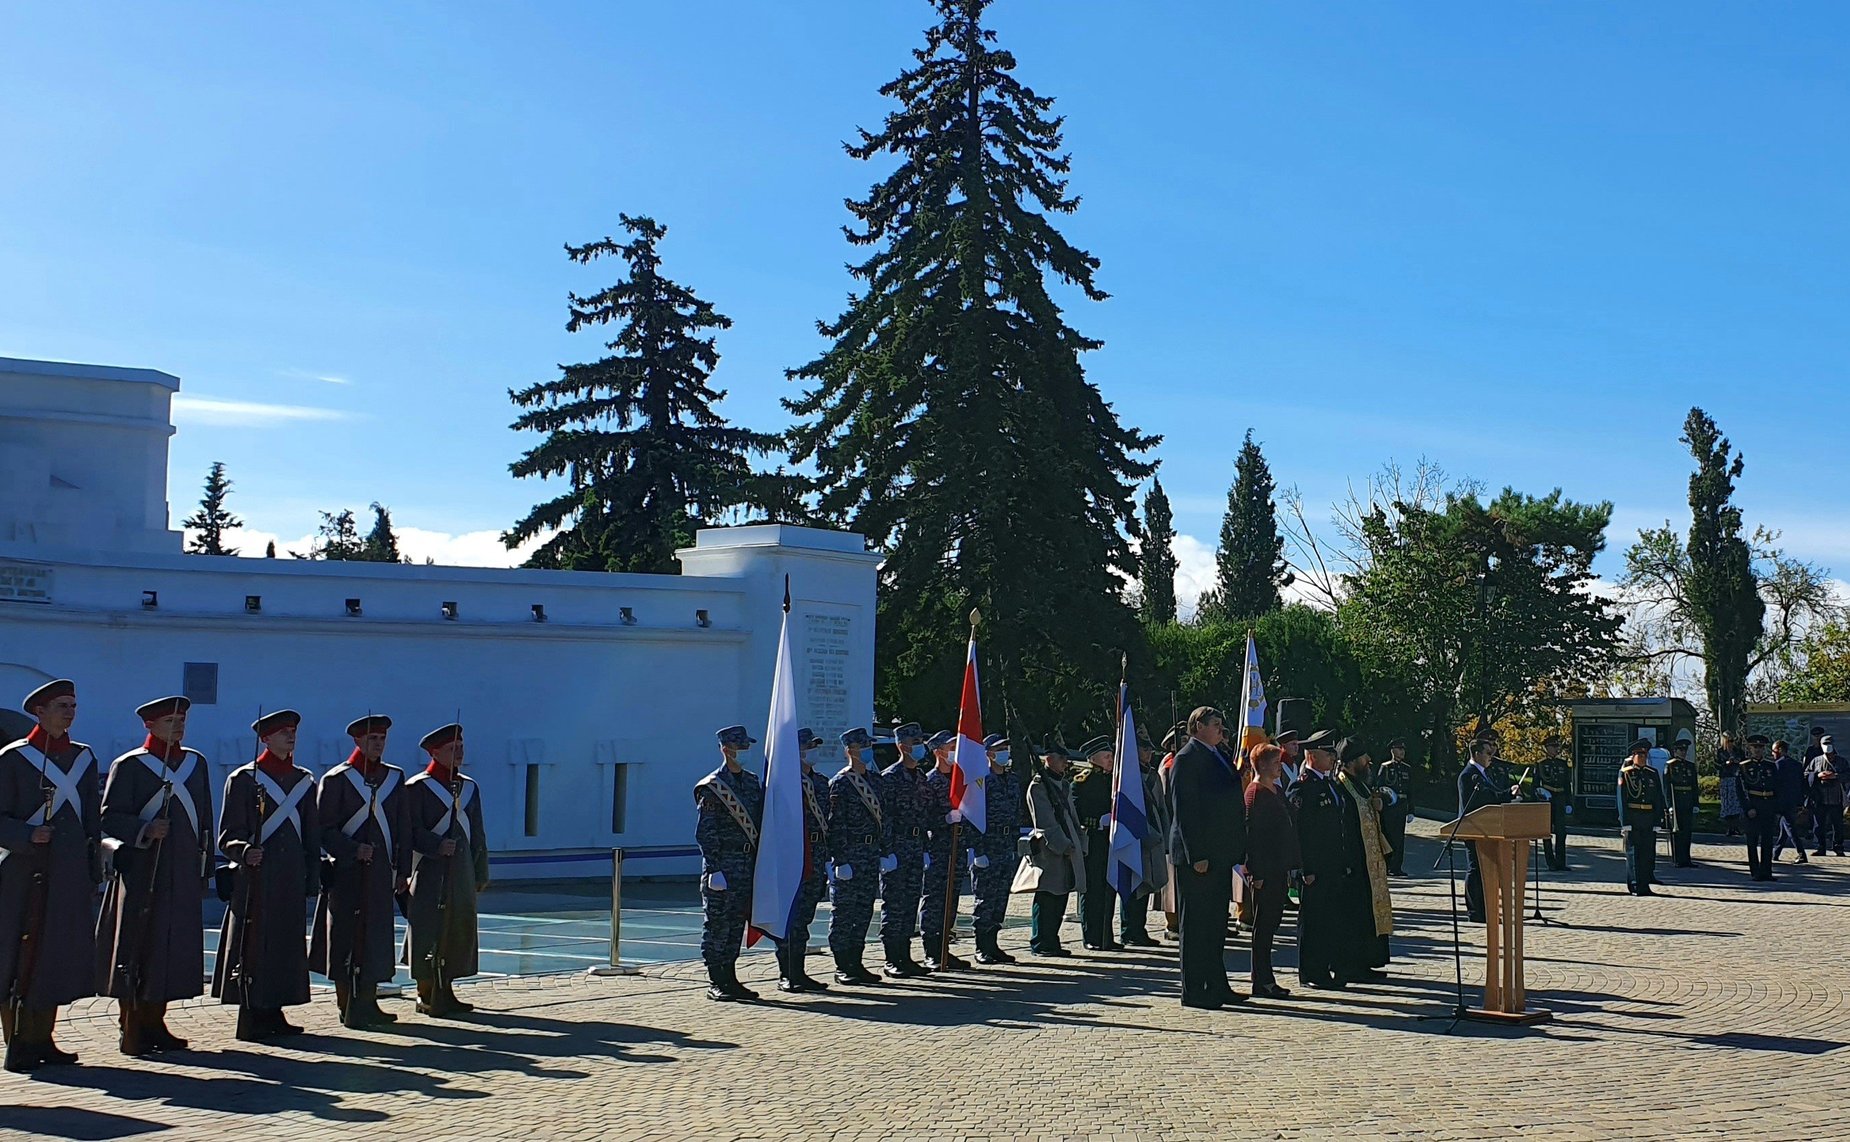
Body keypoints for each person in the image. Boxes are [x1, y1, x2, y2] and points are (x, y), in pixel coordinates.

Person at [97, 695, 214, 1057]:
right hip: (144, 872)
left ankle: (156, 1021)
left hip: (180, 871)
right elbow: (109, 817)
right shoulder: (130, 765)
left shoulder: (196, 763)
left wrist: (204, 869)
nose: (177, 726)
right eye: (169, 721)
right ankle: (130, 1024)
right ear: (149, 725)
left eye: (181, 720)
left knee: (170, 951)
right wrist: (144, 829)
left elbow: (205, 821)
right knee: (138, 946)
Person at [0, 680, 99, 1072]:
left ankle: (44, 1037)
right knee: (18, 954)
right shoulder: (13, 758)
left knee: (55, 955)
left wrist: (92, 870)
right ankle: (18, 1041)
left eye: (73, 705)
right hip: (22, 872)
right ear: (39, 711)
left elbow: (92, 819)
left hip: (68, 872)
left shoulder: (83, 758)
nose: (70, 711)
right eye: (61, 705)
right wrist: (27, 835)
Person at [212, 709, 320, 1041]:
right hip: (258, 876)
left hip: (290, 876)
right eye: (282, 732)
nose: (290, 737)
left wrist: (311, 877)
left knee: (285, 945)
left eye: (293, 732)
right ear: (265, 739)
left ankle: (275, 1010)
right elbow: (227, 833)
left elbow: (311, 836)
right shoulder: (245, 779)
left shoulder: (304, 780)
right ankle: (251, 1013)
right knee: (254, 945)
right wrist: (244, 851)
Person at [312, 713, 409, 1029]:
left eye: (381, 739)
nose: (378, 744)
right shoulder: (337, 780)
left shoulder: (394, 778)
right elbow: (323, 829)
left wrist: (402, 871)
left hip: (381, 873)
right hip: (347, 875)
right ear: (357, 741)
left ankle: (369, 1001)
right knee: (345, 938)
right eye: (371, 739)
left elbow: (401, 830)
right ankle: (348, 1005)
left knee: (376, 938)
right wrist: (352, 850)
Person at [405, 723, 489, 1016]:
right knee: (429, 928)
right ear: (434, 752)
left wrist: (481, 871)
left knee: (458, 927)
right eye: (452, 749)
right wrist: (435, 844)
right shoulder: (418, 787)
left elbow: (477, 833)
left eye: (461, 747)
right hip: (430, 871)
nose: (459, 753)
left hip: (461, 870)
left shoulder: (469, 787)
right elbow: (409, 830)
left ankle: (448, 987)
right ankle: (426, 991)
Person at [1168, 707, 1245, 1009]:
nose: (1220, 729)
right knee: (1196, 925)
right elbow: (1186, 811)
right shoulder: (1187, 759)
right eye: (1215, 724)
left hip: (1220, 854)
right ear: (1198, 726)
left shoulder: (1218, 755)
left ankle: (1216, 983)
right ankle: (1194, 989)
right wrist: (1196, 853)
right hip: (1198, 857)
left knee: (1215, 924)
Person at [1291, 729, 1365, 989]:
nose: (1333, 757)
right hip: (1315, 868)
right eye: (1328, 752)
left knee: (1331, 919)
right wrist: (1305, 868)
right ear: (1311, 755)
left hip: (1334, 866)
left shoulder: (1331, 784)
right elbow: (1300, 832)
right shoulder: (1303, 787)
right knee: (1313, 921)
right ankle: (1311, 971)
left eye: (1334, 752)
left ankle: (1330, 967)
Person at [692, 725, 762, 1001]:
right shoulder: (712, 787)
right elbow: (705, 832)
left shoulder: (752, 782)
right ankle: (716, 979)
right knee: (717, 924)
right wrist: (715, 867)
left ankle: (731, 976)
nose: (745, 752)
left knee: (736, 923)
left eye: (746, 747)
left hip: (746, 863)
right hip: (723, 865)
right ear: (725, 749)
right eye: (740, 747)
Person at [825, 728, 889, 985]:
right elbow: (835, 824)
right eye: (863, 747)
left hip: (870, 853)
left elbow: (885, 819)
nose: (867, 750)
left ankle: (857, 961)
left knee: (863, 911)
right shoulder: (840, 783)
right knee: (844, 912)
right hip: (850, 855)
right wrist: (840, 860)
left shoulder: (876, 780)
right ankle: (842, 964)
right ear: (850, 750)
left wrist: (885, 850)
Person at [1016, 742, 1083, 957]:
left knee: (1061, 894)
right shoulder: (1038, 786)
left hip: (1067, 847)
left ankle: (1052, 939)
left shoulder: (1061, 784)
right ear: (1048, 759)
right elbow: (1045, 822)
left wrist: (1078, 842)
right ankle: (1041, 941)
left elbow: (1071, 816)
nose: (1065, 763)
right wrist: (1063, 844)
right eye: (1060, 758)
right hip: (1049, 850)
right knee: (1047, 897)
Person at [777, 728, 831, 993]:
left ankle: (800, 971)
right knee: (791, 919)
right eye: (808, 746)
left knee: (805, 918)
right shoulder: (783, 782)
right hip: (793, 856)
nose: (813, 750)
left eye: (814, 745)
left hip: (816, 855)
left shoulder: (820, 782)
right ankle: (787, 973)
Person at [1242, 743, 1298, 999]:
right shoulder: (1254, 794)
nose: (1280, 767)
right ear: (1262, 765)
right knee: (1263, 927)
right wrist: (1257, 874)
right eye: (1276, 762)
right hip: (1265, 872)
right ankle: (1261, 980)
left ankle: (1267, 978)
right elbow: (1253, 838)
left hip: (1279, 868)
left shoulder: (1275, 790)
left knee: (1273, 922)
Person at [879, 722, 933, 978]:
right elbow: (885, 817)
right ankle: (892, 958)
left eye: (921, 742)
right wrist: (886, 851)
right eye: (915, 743)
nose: (920, 747)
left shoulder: (920, 777)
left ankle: (906, 955)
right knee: (895, 904)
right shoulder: (889, 778)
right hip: (897, 848)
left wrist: (924, 845)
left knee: (911, 902)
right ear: (902, 746)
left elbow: (925, 814)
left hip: (915, 846)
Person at [919, 730, 975, 970]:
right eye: (950, 747)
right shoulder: (930, 781)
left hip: (957, 848)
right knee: (935, 901)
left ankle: (945, 948)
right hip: (938, 848)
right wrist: (944, 820)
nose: (955, 751)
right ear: (938, 751)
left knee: (951, 901)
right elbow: (922, 817)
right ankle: (931, 951)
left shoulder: (958, 780)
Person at [1336, 741, 1393, 970]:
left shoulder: (1360, 784)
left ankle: (1368, 961)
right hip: (1355, 860)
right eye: (1363, 759)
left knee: (1368, 912)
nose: (1368, 762)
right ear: (1351, 762)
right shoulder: (1341, 786)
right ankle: (1354, 965)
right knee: (1355, 914)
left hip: (1370, 861)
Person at [972, 735, 1019, 964]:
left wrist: (1014, 844)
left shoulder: (1012, 780)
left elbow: (1016, 813)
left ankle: (994, 944)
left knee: (1000, 899)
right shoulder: (982, 782)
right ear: (988, 754)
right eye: (1000, 749)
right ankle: (981, 946)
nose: (1005, 753)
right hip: (988, 846)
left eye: (1006, 749)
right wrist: (978, 851)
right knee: (985, 898)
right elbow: (974, 818)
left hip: (1005, 845)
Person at [1118, 730, 1168, 948]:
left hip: (1154, 836)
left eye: (1149, 749)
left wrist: (1163, 832)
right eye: (1144, 749)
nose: (1149, 753)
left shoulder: (1152, 774)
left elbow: (1161, 806)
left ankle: (1140, 928)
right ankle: (1129, 929)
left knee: (1147, 884)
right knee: (1133, 885)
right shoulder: (1128, 776)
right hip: (1134, 837)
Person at [1070, 735, 1118, 952]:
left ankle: (1106, 935)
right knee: (1092, 891)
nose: (1110, 760)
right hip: (1093, 840)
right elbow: (1077, 813)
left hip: (1110, 842)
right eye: (1107, 756)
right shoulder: (1083, 782)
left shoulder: (1113, 780)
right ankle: (1091, 935)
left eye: (1111, 756)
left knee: (1109, 889)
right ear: (1093, 759)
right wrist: (1098, 821)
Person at [1454, 737, 1508, 924]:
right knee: (1475, 869)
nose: (1491, 756)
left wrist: (1509, 794)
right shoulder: (1468, 775)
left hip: (1488, 830)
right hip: (1474, 828)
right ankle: (1475, 911)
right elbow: (1477, 802)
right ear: (1476, 754)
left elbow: (1493, 795)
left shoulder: (1484, 773)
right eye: (1487, 752)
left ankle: (1488, 910)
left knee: (1488, 870)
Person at [1615, 740, 1667, 895]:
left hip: (1648, 818)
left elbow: (1658, 798)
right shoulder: (1626, 773)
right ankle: (1636, 884)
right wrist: (1625, 822)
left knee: (1647, 853)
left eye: (1645, 754)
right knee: (1634, 853)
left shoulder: (1652, 773)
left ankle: (1645, 884)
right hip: (1634, 817)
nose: (1643, 757)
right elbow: (1621, 799)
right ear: (1633, 755)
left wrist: (1658, 820)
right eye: (1640, 754)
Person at [1735, 734, 1779, 882]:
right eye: (1755, 747)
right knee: (1752, 840)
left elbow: (1777, 787)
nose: (1758, 750)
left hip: (1768, 805)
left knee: (1767, 840)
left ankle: (1767, 871)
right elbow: (1741, 790)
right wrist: (1748, 808)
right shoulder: (1744, 766)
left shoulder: (1770, 766)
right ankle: (1755, 871)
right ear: (1750, 748)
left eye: (1760, 747)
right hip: (1754, 804)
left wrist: (1776, 807)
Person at [1373, 739, 1414, 876]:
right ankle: (1387, 865)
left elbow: (1411, 792)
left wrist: (1411, 811)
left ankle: (1397, 867)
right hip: (1389, 807)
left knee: (1399, 838)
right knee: (1388, 836)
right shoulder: (1386, 767)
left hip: (1401, 806)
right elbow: (1379, 786)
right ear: (1392, 751)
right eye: (1399, 749)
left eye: (1403, 749)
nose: (1402, 752)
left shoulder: (1407, 769)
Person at [1535, 734, 1574, 871]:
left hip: (1560, 798)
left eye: (1557, 746)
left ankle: (1561, 862)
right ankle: (1550, 862)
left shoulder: (1562, 764)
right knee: (1547, 832)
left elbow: (1567, 785)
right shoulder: (1541, 764)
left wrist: (1569, 802)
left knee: (1561, 832)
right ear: (1547, 748)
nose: (1556, 749)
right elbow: (1536, 785)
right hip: (1547, 800)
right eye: (1553, 746)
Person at [1769, 739, 1809, 866]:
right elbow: (1802, 784)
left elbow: (1775, 784)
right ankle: (1776, 852)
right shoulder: (1797, 765)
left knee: (1789, 826)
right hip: (1794, 800)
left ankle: (1801, 853)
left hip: (1782, 801)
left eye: (1773, 751)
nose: (1772, 754)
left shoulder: (1777, 765)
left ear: (1780, 750)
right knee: (1784, 825)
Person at [1663, 739, 1701, 869]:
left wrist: (1696, 803)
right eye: (1681, 750)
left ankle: (1686, 858)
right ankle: (1677, 858)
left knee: (1687, 831)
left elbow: (1694, 786)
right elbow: (1666, 788)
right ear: (1675, 751)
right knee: (1677, 831)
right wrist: (1669, 805)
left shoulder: (1690, 766)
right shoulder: (1670, 766)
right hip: (1677, 800)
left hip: (1688, 801)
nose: (1683, 752)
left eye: (1685, 750)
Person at [1807, 736, 1846, 857]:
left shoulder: (1841, 761)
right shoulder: (1816, 760)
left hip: (1836, 798)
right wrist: (1818, 775)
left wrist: (1835, 776)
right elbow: (1806, 773)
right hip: (1820, 798)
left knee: (1838, 824)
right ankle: (1820, 847)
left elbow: (1848, 774)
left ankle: (1838, 847)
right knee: (1819, 824)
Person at [1715, 732, 1745, 836]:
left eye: (1732, 741)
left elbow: (1743, 762)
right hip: (1725, 777)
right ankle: (1729, 827)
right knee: (1727, 803)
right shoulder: (1720, 752)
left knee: (1736, 803)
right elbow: (1717, 765)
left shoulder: (1738, 751)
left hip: (1736, 777)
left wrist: (1737, 762)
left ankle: (1736, 826)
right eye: (1729, 741)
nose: (1731, 743)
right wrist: (1726, 763)